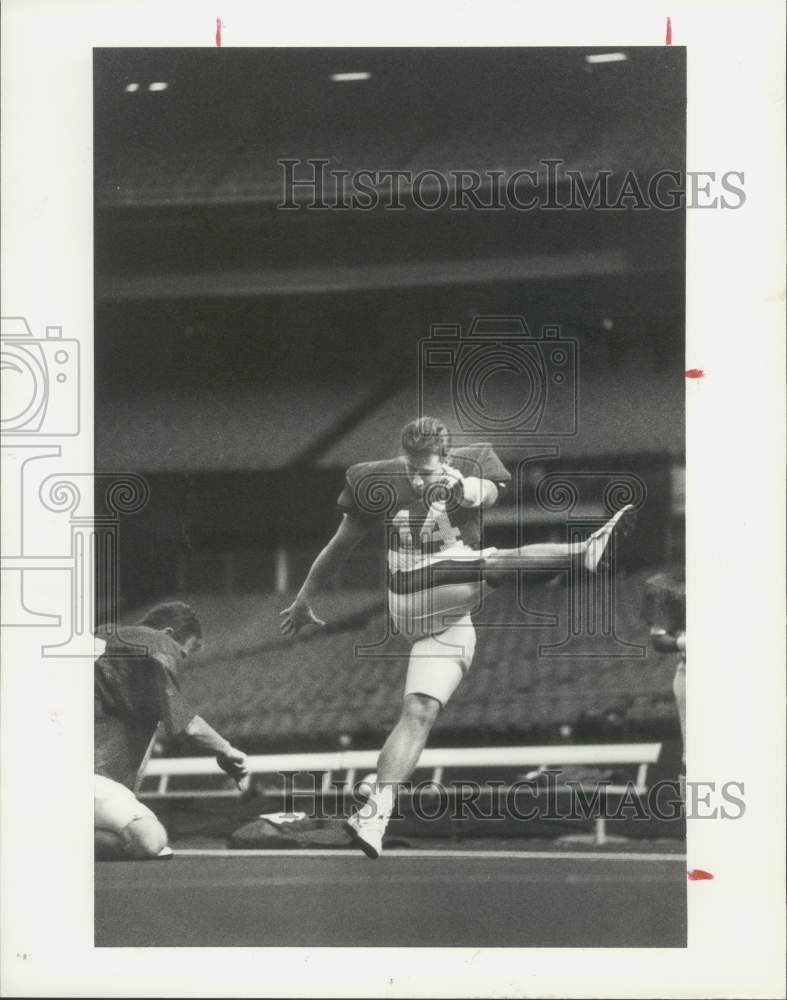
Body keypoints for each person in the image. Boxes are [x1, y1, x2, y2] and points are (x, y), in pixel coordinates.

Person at [279, 417, 634, 858]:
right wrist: (304, 599)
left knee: (420, 711)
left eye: (425, 469)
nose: (415, 476)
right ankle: (582, 552)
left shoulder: (473, 463)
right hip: (408, 588)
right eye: (410, 467)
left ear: (447, 459)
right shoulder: (373, 477)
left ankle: (375, 812)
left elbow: (487, 493)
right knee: (491, 562)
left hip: (451, 613)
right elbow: (340, 545)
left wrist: (462, 487)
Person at [95, 601, 249, 860]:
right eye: (182, 653)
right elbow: (187, 726)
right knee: (150, 840)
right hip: (82, 779)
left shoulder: (102, 635)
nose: (179, 662)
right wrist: (226, 749)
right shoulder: (157, 642)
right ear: (167, 634)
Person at [642, 571, 686, 789]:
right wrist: (686, 642)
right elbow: (659, 639)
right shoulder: (674, 586)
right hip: (694, 672)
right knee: (694, 753)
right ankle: (696, 816)